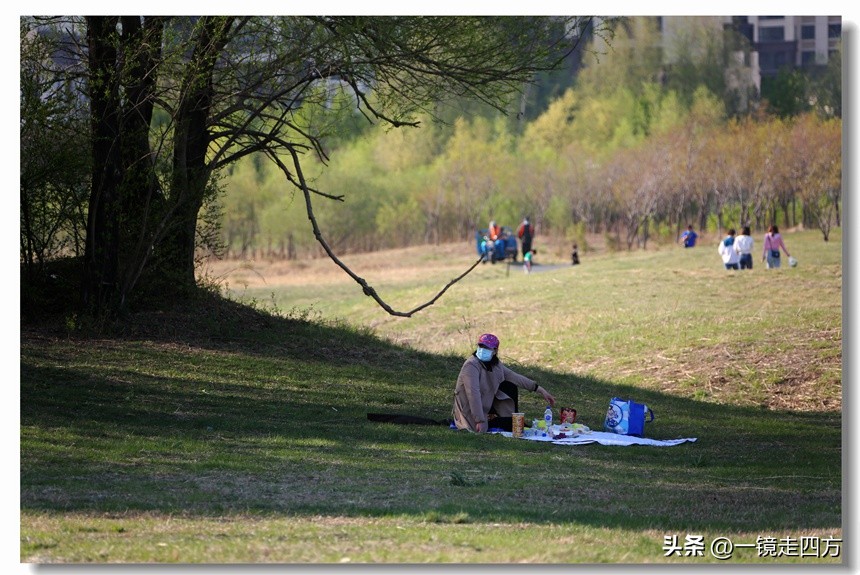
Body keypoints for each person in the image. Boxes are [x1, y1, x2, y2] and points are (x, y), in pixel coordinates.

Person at [452, 333, 556, 433]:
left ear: (495, 351)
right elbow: (473, 394)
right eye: (481, 346)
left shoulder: (495, 365)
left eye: (487, 348)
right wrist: (479, 420)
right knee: (510, 424)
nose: (483, 350)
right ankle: (511, 423)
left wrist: (540, 390)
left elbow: (514, 377)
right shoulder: (471, 365)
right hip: (470, 411)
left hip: (485, 407)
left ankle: (512, 421)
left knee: (510, 385)